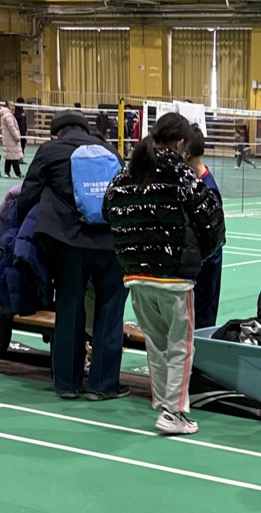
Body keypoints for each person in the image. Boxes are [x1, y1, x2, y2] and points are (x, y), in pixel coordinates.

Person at [102, 111, 224, 434]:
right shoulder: (183, 176)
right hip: (174, 279)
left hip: (135, 276)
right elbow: (212, 223)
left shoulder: (125, 174)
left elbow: (108, 210)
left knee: (156, 345)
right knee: (181, 346)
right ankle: (174, 412)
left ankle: (163, 405)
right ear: (182, 143)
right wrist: (196, 259)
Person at [17, 109, 126, 400]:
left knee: (70, 309)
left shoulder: (50, 150)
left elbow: (28, 195)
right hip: (111, 243)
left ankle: (67, 384)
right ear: (85, 129)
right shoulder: (110, 151)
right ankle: (103, 386)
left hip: (69, 242)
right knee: (110, 313)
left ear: (56, 133)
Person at [187, 126, 224, 331]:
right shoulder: (192, 183)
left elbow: (214, 240)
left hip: (205, 270)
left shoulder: (207, 189)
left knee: (201, 323)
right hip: (197, 267)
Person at [0, 102, 24, 179]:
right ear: (7, 106)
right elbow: (12, 128)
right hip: (11, 139)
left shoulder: (6, 115)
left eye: (14, 105)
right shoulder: (8, 116)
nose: (13, 107)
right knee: (14, 157)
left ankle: (6, 172)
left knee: (9, 156)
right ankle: (18, 173)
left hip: (8, 138)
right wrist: (17, 136)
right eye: (11, 105)